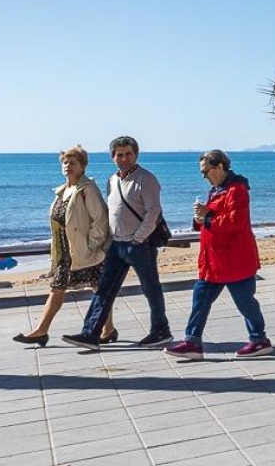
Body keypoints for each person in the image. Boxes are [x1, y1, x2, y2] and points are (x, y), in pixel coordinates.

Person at [64, 136, 172, 352]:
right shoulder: (112, 180)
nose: (124, 158)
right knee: (104, 289)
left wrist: (138, 237)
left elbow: (153, 211)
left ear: (136, 155)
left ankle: (161, 331)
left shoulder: (146, 179)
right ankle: (90, 333)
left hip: (138, 245)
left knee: (151, 289)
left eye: (128, 154)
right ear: (113, 157)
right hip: (116, 245)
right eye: (119, 154)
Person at [165, 150, 271, 360]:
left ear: (220, 166)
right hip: (215, 261)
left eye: (206, 171)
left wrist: (207, 216)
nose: (204, 176)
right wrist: (199, 216)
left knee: (245, 302)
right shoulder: (217, 189)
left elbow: (234, 222)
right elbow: (211, 218)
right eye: (202, 172)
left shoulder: (237, 189)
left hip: (234, 259)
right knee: (200, 297)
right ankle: (192, 342)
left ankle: (259, 340)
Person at [13, 146, 115, 348]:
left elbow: (101, 219)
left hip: (83, 252)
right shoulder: (62, 191)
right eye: (65, 162)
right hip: (65, 252)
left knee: (97, 290)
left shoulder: (87, 189)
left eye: (73, 163)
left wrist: (91, 245)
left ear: (82, 167)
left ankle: (43, 331)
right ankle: (106, 329)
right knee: (65, 289)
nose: (68, 166)